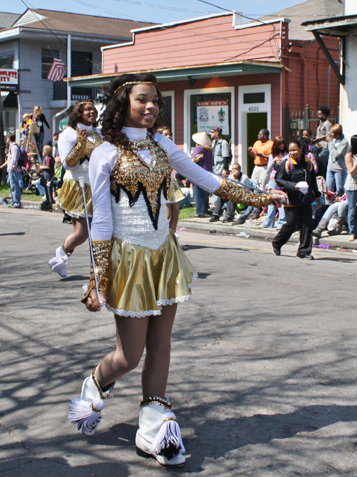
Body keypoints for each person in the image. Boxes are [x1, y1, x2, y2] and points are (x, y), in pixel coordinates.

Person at [72, 73, 283, 466]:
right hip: (129, 260)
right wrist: (96, 279)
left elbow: (207, 179)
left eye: (155, 100)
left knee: (162, 344)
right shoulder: (104, 152)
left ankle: (153, 424)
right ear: (123, 104)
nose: (151, 106)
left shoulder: (163, 145)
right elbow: (100, 220)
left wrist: (261, 198)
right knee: (129, 356)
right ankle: (96, 382)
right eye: (142, 100)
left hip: (164, 255)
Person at [48, 101, 104, 277]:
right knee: (81, 233)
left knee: (101, 230)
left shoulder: (98, 133)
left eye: (93, 109)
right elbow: (68, 164)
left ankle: (99, 268)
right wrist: (80, 143)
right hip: (79, 184)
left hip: (98, 185)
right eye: (87, 109)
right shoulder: (68, 134)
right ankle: (62, 253)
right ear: (78, 113)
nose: (91, 112)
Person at [271, 140, 320, 259]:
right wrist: (293, 186)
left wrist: (317, 194)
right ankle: (277, 242)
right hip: (291, 198)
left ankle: (304, 252)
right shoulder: (287, 163)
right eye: (291, 150)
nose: (292, 152)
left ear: (301, 150)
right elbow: (279, 179)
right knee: (291, 224)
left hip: (305, 198)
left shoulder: (308, 163)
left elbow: (312, 180)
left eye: (295, 150)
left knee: (307, 225)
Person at [190, 131, 213, 217]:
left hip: (199, 173)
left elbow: (193, 160)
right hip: (208, 172)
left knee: (198, 193)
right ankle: (205, 209)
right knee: (205, 193)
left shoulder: (199, 149)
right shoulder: (209, 150)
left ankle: (200, 212)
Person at [325, 124, 349, 196]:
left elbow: (336, 154)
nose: (332, 134)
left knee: (340, 191)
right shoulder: (333, 141)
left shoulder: (344, 142)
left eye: (333, 133)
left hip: (339, 169)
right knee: (328, 190)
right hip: (330, 168)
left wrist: (330, 143)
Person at [4, 133, 23, 208]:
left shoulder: (14, 147)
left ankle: (16, 202)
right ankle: (14, 201)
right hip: (12, 169)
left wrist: (11, 168)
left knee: (15, 186)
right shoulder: (11, 147)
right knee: (13, 186)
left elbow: (14, 159)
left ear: (8, 138)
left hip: (14, 170)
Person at [38, 145, 55, 210]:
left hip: (48, 175)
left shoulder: (48, 158)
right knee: (47, 187)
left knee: (48, 188)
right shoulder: (50, 157)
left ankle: (50, 200)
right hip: (47, 175)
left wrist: (41, 167)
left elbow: (48, 166)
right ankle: (48, 199)